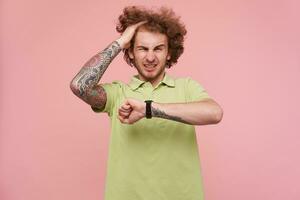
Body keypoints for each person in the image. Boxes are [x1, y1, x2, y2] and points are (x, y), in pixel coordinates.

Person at [70, 5, 223, 200]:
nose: (150, 57)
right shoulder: (118, 93)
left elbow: (215, 113)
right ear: (131, 52)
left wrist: (148, 109)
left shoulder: (187, 87)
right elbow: (79, 85)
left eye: (158, 49)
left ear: (169, 52)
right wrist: (120, 42)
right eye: (142, 48)